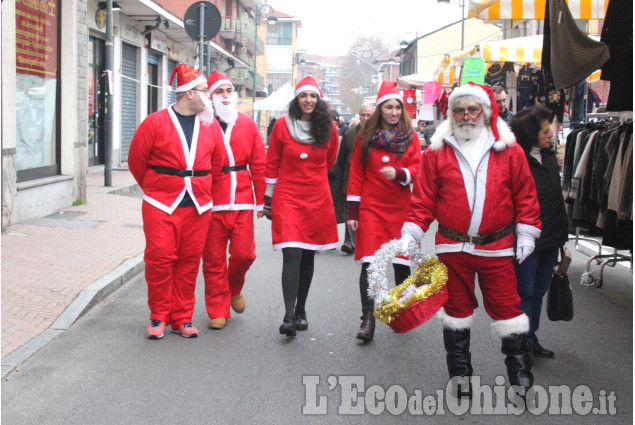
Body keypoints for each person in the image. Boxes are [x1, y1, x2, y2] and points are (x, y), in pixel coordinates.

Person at [400, 82, 542, 398]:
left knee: (508, 310)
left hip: (497, 247)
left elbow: (526, 196)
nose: (466, 116)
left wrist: (527, 231)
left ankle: (519, 371)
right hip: (453, 248)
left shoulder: (510, 150)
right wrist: (413, 231)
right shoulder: (437, 152)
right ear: (451, 114)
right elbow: (423, 199)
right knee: (456, 311)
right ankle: (461, 375)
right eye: (460, 110)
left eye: (472, 109)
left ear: (485, 112)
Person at [128, 63, 224, 339]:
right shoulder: (155, 122)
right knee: (159, 259)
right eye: (206, 91)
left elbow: (216, 166)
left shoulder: (211, 124)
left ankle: (182, 316)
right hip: (160, 204)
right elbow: (137, 161)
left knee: (189, 261)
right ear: (190, 94)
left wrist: (202, 187)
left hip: (198, 205)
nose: (211, 96)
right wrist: (156, 188)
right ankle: (158, 315)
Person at [264, 76, 340, 338]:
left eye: (313, 96)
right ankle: (287, 315)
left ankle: (301, 311)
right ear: (297, 100)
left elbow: (330, 160)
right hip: (287, 197)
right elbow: (272, 161)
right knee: (292, 253)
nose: (308, 100)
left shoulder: (328, 128)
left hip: (316, 199)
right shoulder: (282, 127)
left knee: (308, 254)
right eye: (303, 96)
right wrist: (268, 198)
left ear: (318, 100)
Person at [347, 82, 422, 342]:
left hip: (401, 207)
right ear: (380, 109)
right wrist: (353, 212)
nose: (393, 112)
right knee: (370, 264)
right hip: (371, 207)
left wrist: (400, 173)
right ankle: (368, 320)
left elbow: (418, 169)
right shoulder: (365, 137)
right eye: (389, 107)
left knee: (401, 263)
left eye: (397, 107)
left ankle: (401, 311)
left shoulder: (411, 137)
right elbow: (356, 174)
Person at [201, 71, 267, 330]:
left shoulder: (248, 124)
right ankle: (217, 309)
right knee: (214, 259)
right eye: (220, 91)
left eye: (229, 90)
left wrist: (260, 200)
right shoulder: (203, 123)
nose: (225, 96)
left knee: (243, 254)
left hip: (242, 201)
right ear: (211, 96)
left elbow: (259, 163)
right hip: (212, 202)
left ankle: (234, 287)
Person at [510, 105, 568, 360]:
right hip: (527, 238)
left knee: (540, 289)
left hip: (551, 237)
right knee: (525, 291)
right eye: (546, 130)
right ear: (531, 133)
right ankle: (520, 343)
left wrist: (561, 236)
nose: (551, 134)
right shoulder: (516, 159)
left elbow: (555, 199)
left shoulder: (548, 156)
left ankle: (531, 337)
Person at [336, 104, 373, 255]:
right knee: (350, 210)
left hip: (369, 180)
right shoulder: (350, 134)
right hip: (349, 178)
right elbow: (342, 159)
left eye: (368, 115)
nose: (365, 118)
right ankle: (349, 242)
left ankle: (364, 240)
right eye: (363, 115)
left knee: (366, 211)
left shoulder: (377, 134)